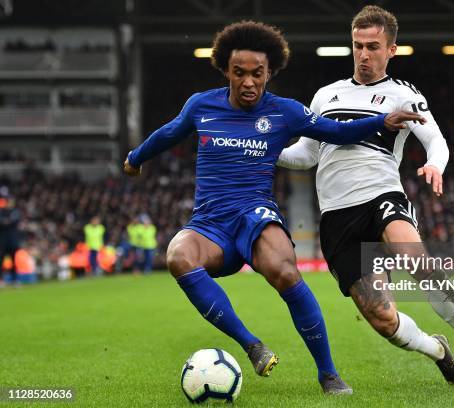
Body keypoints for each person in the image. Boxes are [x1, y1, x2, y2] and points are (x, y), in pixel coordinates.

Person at [123, 20, 424, 394]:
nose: (249, 82)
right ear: (226, 71)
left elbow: (337, 132)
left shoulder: (286, 112)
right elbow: (168, 133)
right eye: (239, 73)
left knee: (284, 270)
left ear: (270, 72)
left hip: (255, 216)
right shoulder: (201, 106)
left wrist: (382, 120)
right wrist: (135, 158)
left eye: (257, 74)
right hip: (210, 223)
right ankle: (251, 344)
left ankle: (328, 373)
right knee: (177, 256)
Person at [278, 5, 454, 384]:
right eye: (357, 46)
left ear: (392, 49)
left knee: (416, 259)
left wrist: (435, 164)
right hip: (337, 216)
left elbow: (435, 139)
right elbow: (307, 154)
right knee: (383, 318)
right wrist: (266, 151)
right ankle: (438, 350)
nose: (363, 55)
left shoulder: (402, 94)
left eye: (373, 46)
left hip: (381, 195)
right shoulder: (326, 95)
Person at [0, 186, 22, 286]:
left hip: (12, 240)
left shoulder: (15, 211)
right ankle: (1, 280)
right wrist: (7, 222)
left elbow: (14, 221)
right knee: (1, 259)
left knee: (14, 260)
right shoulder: (2, 211)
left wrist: (6, 222)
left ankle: (15, 280)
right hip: (2, 240)